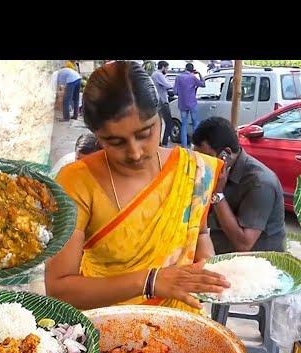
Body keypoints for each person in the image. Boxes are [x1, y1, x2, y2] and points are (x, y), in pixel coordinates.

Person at [45, 61, 229, 312]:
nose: (134, 152)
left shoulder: (194, 171)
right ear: (96, 136)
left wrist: (208, 274)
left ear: (160, 118)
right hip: (110, 329)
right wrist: (150, 281)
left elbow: (201, 234)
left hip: (183, 325)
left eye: (145, 133)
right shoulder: (76, 182)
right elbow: (59, 291)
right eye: (115, 141)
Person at [192, 117, 285, 253]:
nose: (200, 163)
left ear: (226, 154)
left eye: (205, 158)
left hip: (257, 262)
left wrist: (217, 195)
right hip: (220, 248)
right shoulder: (216, 170)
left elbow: (243, 244)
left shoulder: (260, 183)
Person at [173, 63, 205, 148]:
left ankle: (184, 145)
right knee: (195, 123)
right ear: (192, 70)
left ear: (185, 68)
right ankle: (195, 144)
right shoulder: (193, 77)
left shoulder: (178, 77)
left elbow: (175, 91)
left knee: (184, 124)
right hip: (192, 103)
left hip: (182, 103)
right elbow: (203, 84)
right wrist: (199, 74)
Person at [151, 61, 173, 147]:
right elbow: (168, 85)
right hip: (162, 101)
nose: (167, 70)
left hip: (158, 100)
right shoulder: (158, 75)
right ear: (163, 67)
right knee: (169, 123)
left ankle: (159, 143)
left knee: (159, 123)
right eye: (167, 68)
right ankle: (164, 143)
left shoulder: (156, 74)